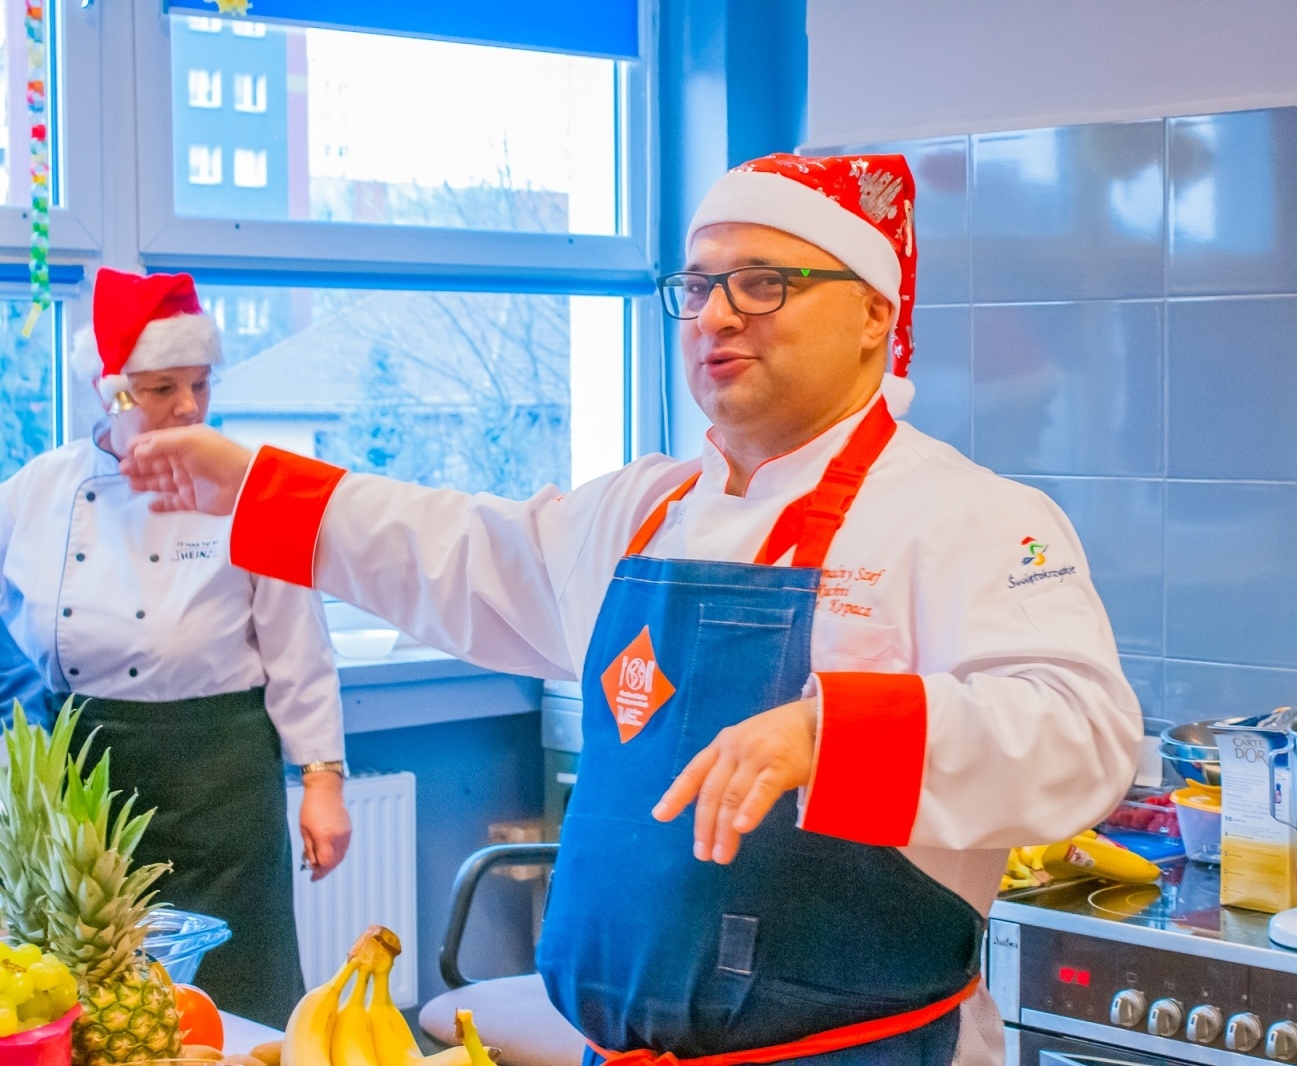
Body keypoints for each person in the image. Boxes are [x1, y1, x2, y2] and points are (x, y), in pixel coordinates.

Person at [121, 155, 1142, 1065]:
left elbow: (1081, 736)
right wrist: (251, 483)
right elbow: (459, 549)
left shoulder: (967, 515)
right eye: (698, 286)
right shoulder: (642, 511)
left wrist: (830, 729)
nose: (716, 315)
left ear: (875, 313)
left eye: (763, 282)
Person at [0, 267, 351, 1027]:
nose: (189, 405)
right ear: (111, 390)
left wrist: (322, 780)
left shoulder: (244, 482)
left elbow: (298, 643)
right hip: (82, 779)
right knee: (98, 1000)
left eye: (200, 383)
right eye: (162, 388)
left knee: (238, 991)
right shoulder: (37, 490)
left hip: (219, 773)